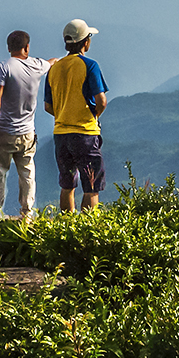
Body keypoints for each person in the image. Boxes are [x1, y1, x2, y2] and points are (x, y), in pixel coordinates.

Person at [43, 18, 108, 212]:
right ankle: (86, 232)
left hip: (61, 134)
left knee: (67, 185)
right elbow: (101, 100)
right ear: (85, 42)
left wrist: (64, 114)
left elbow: (48, 106)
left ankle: (66, 229)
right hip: (85, 133)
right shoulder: (90, 66)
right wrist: (92, 115)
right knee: (91, 187)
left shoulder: (54, 69)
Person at [0, 30, 48, 220]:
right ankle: (27, 214)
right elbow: (52, 62)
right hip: (28, 132)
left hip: (4, 130)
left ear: (9, 48)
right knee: (27, 173)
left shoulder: (3, 67)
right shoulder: (37, 65)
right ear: (27, 47)